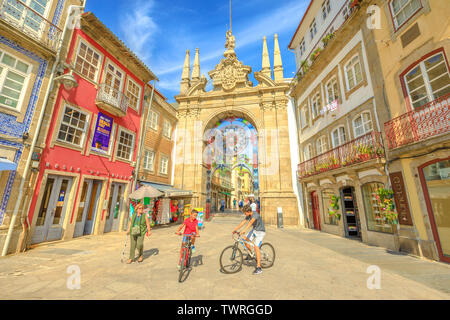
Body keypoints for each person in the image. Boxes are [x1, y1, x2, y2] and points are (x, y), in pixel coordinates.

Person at [232, 204, 266, 275]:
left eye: (245, 213)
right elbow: (243, 222)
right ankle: (251, 255)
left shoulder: (255, 215)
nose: (245, 214)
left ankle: (259, 268)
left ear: (248, 211)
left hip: (260, 232)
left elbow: (250, 223)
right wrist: (235, 229)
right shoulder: (248, 215)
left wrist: (244, 230)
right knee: (244, 239)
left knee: (256, 247)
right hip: (254, 230)